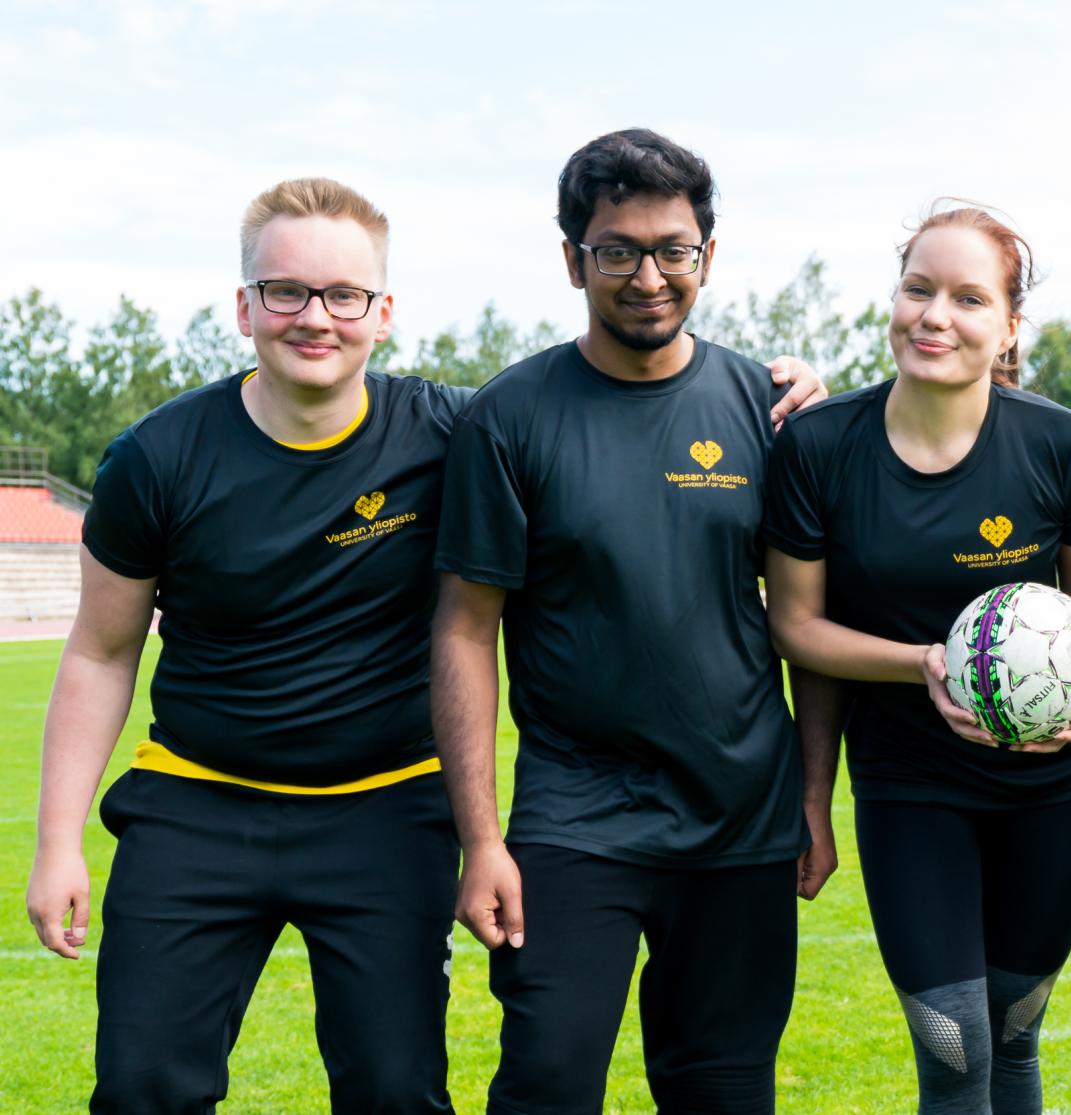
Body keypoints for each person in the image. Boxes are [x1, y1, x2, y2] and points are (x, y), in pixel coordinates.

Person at [22, 177, 459, 1113]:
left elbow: (595, 415)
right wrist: (59, 842)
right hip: (198, 806)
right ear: (244, 306)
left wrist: (766, 392)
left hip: (385, 811)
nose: (316, 317)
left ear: (383, 314)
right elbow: (101, 651)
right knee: (141, 1088)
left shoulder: (449, 433)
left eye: (344, 295)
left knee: (396, 1091)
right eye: (286, 290)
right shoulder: (156, 458)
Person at [432, 128, 835, 1115]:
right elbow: (464, 629)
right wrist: (481, 837)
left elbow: (806, 622)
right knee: (548, 1080)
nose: (649, 277)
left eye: (672, 250)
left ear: (708, 256)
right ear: (573, 260)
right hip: (577, 818)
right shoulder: (509, 416)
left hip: (742, 817)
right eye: (617, 251)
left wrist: (814, 798)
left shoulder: (770, 412)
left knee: (724, 1091)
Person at [762, 203, 1071, 1115]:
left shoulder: (1060, 442)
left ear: (1009, 327)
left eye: (968, 298)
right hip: (909, 782)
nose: (934, 315)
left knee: (1014, 1032)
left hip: (1053, 782)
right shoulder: (820, 447)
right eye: (918, 288)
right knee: (954, 1048)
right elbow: (797, 626)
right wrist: (926, 662)